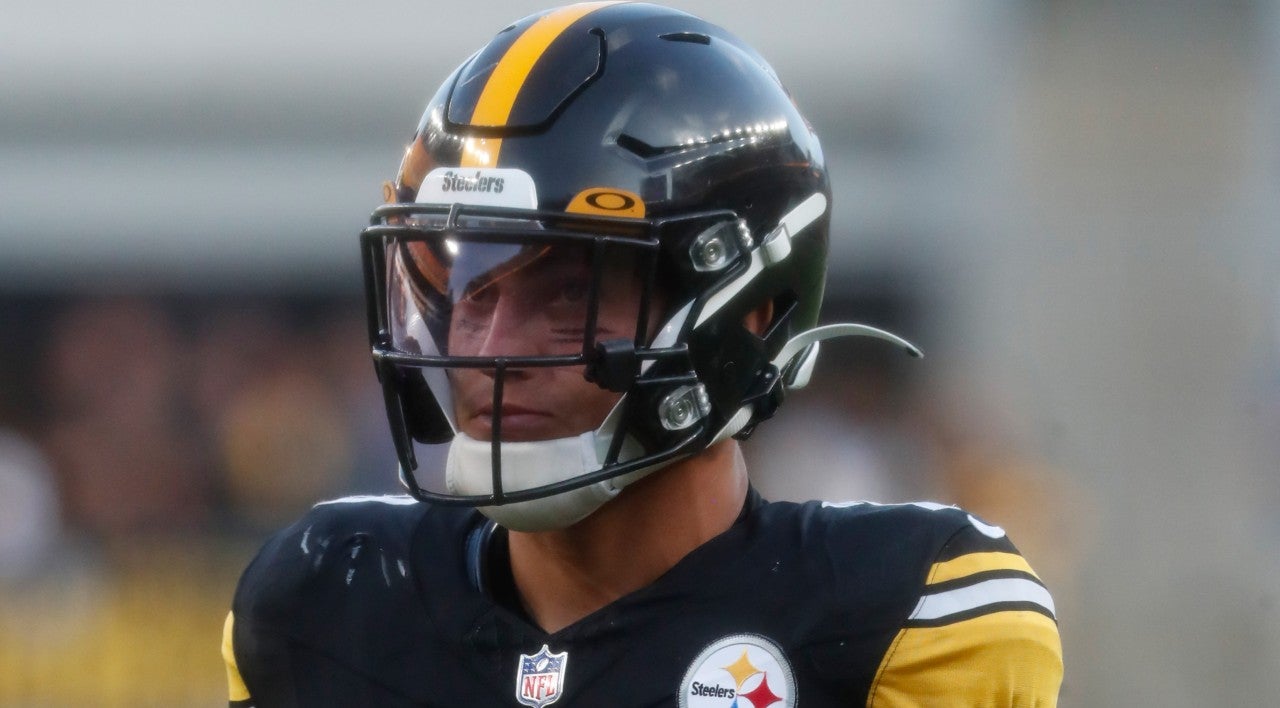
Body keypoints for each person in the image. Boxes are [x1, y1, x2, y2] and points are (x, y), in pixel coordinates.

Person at [222, 3, 1063, 706]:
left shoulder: (901, 618)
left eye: (567, 293)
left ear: (745, 311)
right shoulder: (325, 597)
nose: (491, 348)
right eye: (469, 291)